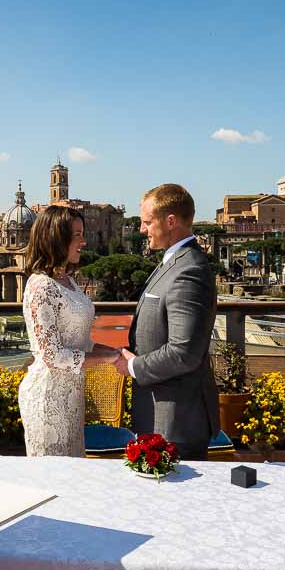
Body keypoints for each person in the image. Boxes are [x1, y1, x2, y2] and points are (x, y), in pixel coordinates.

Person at [114, 184, 219, 461]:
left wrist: (133, 366)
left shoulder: (189, 270)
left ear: (170, 221)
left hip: (177, 421)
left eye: (147, 222)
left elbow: (183, 352)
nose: (141, 229)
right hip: (164, 415)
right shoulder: (175, 263)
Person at [19, 205, 118, 456]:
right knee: (53, 480)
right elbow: (52, 356)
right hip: (47, 398)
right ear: (55, 238)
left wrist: (117, 352)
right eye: (77, 235)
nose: (84, 241)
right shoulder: (41, 286)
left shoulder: (67, 281)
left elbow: (81, 343)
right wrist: (109, 358)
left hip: (71, 397)